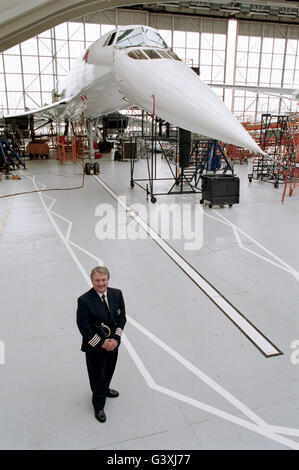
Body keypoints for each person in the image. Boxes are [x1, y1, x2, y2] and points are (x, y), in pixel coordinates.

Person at [76, 266, 126, 423]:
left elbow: (122, 318)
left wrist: (116, 340)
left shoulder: (116, 294)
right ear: (92, 281)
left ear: (108, 279)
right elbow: (83, 326)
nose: (101, 283)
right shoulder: (84, 300)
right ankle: (98, 405)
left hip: (113, 345)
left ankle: (105, 389)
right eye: (97, 280)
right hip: (96, 348)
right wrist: (102, 343)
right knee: (97, 376)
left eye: (104, 280)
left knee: (109, 370)